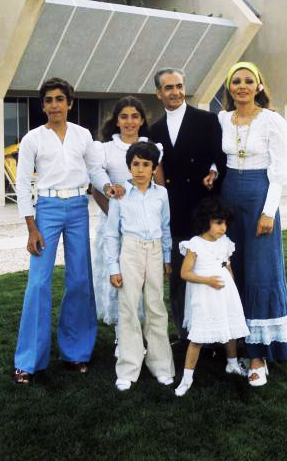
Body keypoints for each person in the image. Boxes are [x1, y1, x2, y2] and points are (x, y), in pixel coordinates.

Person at [13, 77, 123, 385]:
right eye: (48, 100)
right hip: (46, 209)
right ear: (43, 106)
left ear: (70, 103)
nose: (54, 105)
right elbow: (22, 183)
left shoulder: (82, 135)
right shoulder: (32, 139)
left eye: (59, 99)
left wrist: (107, 187)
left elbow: (94, 170)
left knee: (79, 279)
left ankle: (76, 352)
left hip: (77, 208)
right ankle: (28, 361)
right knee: (38, 284)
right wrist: (31, 227)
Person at [218, 61, 287, 386]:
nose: (242, 86)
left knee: (260, 270)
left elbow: (281, 170)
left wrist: (268, 212)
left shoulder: (271, 120)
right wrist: (213, 170)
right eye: (236, 81)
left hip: (259, 196)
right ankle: (234, 343)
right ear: (229, 87)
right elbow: (219, 155)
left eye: (248, 81)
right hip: (228, 196)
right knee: (232, 267)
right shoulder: (223, 119)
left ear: (259, 86)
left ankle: (258, 356)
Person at [149, 68, 226, 342]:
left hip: (203, 208)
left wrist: (213, 171)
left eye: (179, 86)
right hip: (175, 212)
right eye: (169, 87)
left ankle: (215, 334)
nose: (176, 92)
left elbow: (220, 157)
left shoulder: (207, 120)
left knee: (210, 271)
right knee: (180, 276)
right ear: (159, 93)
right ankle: (185, 335)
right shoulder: (154, 129)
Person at [104, 141, 175, 391]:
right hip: (130, 251)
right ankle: (128, 368)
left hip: (154, 251)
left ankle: (161, 366)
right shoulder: (120, 195)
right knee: (128, 308)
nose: (141, 169)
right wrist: (113, 268)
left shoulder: (161, 194)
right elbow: (111, 234)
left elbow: (165, 226)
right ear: (129, 167)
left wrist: (167, 258)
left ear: (154, 168)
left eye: (146, 164)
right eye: (136, 164)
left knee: (156, 307)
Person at [91, 97, 158, 352]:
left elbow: (159, 187)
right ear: (116, 121)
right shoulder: (105, 150)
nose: (129, 121)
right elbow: (96, 188)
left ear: (142, 120)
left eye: (135, 116)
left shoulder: (153, 147)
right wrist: (116, 218)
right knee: (120, 280)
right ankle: (123, 335)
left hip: (144, 226)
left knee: (141, 281)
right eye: (124, 116)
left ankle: (142, 334)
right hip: (114, 226)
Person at [175, 198, 249, 396]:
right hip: (204, 294)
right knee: (198, 337)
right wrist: (207, 280)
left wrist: (231, 287)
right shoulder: (195, 245)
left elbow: (227, 265)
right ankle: (187, 378)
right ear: (205, 221)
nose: (223, 228)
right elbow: (185, 273)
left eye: (225, 223)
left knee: (228, 329)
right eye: (218, 223)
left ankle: (232, 364)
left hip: (223, 292)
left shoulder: (224, 242)